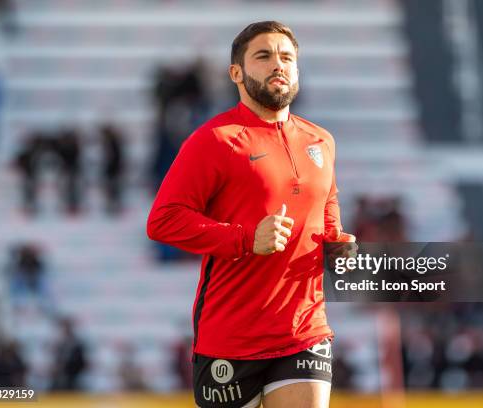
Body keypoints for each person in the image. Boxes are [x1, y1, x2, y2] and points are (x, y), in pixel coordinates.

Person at [147, 21, 356, 408]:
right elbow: (163, 220)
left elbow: (327, 210)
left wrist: (337, 244)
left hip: (304, 331)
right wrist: (244, 239)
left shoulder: (321, 141)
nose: (279, 64)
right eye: (263, 55)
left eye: (287, 57)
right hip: (230, 337)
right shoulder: (214, 139)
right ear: (236, 73)